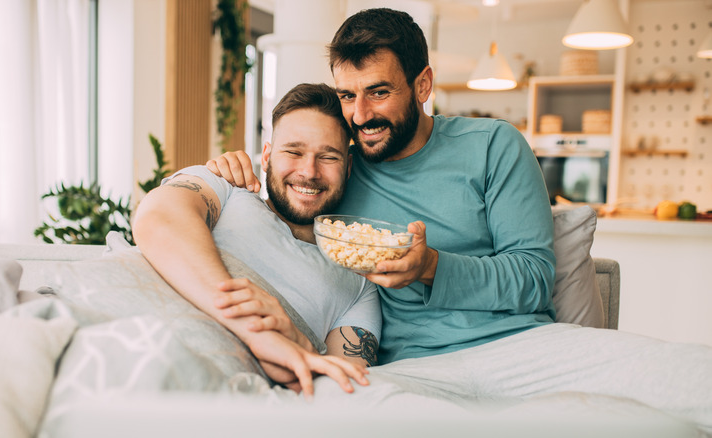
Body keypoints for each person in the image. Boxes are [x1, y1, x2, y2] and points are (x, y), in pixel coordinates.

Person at [206, 7, 712, 433]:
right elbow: (291, 174)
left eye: (378, 92)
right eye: (347, 95)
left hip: (527, 347)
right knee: (327, 408)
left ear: (422, 84)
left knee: (694, 376)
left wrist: (430, 267)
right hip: (415, 368)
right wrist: (227, 169)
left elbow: (534, 279)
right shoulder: (341, 163)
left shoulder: (495, 145)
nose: (359, 115)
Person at [132, 83, 381, 399]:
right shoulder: (223, 187)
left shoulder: (359, 284)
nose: (309, 171)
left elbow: (346, 394)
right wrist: (256, 330)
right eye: (293, 151)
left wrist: (295, 341)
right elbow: (157, 220)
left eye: (328, 157)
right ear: (266, 156)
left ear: (347, 168)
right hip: (138, 332)